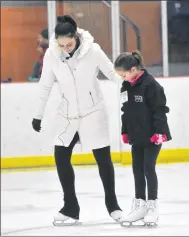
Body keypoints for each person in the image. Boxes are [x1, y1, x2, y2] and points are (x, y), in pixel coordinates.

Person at [31, 15, 123, 226]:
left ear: (76, 36)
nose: (66, 48)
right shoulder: (52, 55)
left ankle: (113, 206)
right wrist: (38, 115)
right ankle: (70, 207)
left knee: (103, 159)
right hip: (67, 114)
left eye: (69, 44)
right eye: (61, 45)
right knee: (61, 156)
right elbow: (45, 85)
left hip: (93, 112)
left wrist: (131, 87)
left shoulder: (93, 50)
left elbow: (111, 72)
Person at [114, 50, 172, 226]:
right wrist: (125, 130)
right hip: (136, 135)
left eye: (123, 74)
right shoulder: (126, 86)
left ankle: (152, 205)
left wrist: (160, 132)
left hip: (154, 135)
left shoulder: (151, 86)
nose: (122, 78)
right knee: (136, 169)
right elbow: (126, 110)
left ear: (133, 69)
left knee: (148, 168)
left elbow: (160, 110)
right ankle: (140, 205)